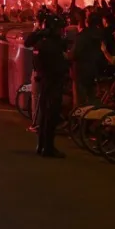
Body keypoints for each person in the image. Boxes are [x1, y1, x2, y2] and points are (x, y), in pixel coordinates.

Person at [26, 14, 68, 158]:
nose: (62, 31)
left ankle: (42, 145)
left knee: (45, 114)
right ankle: (47, 147)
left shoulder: (43, 41)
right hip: (52, 80)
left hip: (45, 80)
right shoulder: (51, 43)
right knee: (51, 114)